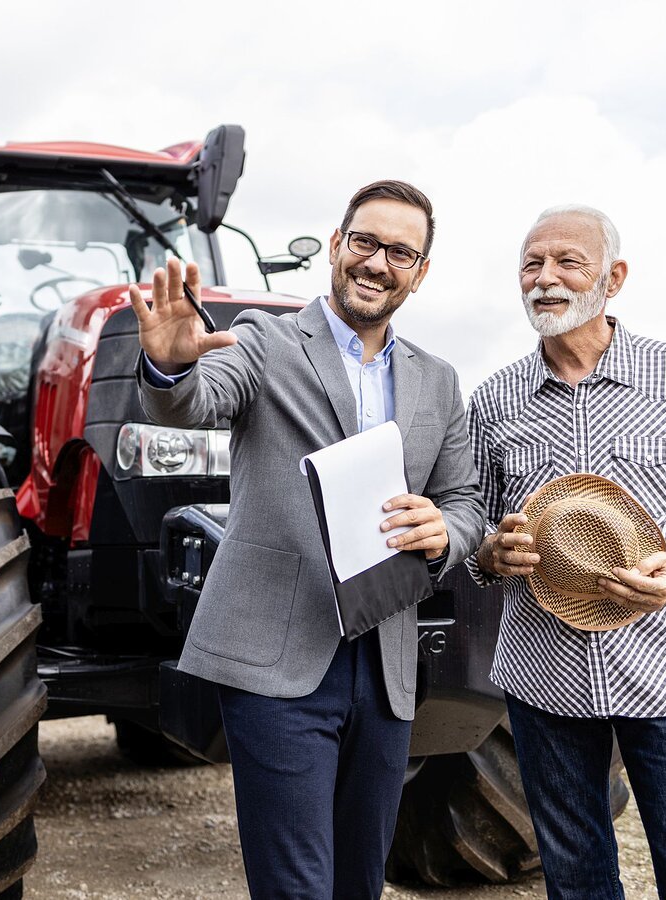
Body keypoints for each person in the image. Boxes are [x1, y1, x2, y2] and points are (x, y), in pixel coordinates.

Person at [131, 180, 485, 899]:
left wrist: (445, 529)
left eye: (401, 252)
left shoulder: (439, 383)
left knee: (360, 880)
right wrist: (170, 366)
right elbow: (198, 397)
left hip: (386, 662)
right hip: (278, 658)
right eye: (365, 242)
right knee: (297, 886)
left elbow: (466, 503)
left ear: (420, 272)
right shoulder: (265, 340)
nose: (378, 263)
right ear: (336, 245)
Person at [467, 204, 666, 899]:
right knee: (575, 877)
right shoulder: (493, 402)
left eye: (566, 262)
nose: (544, 279)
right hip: (543, 676)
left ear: (615, 276)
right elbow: (474, 532)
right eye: (531, 264)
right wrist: (491, 554)